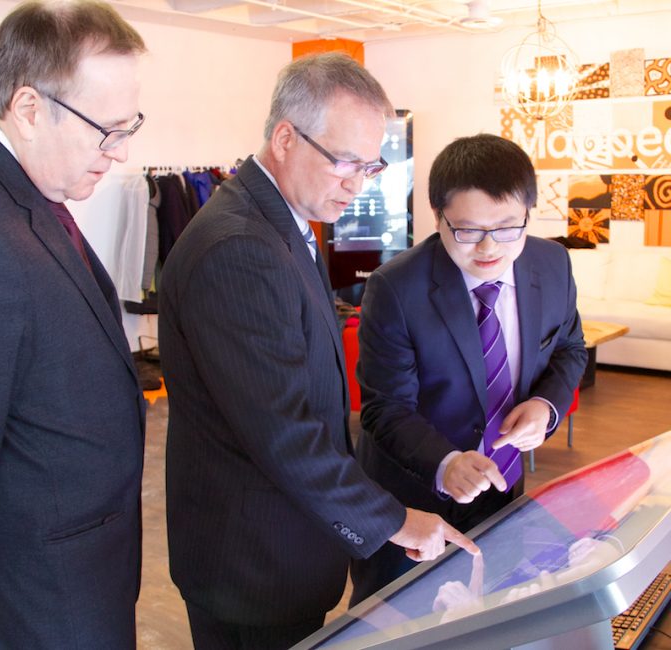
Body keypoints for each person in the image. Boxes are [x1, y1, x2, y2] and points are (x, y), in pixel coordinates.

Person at [158, 52, 478, 650]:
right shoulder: (239, 247)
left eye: (371, 165)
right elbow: (286, 432)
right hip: (250, 559)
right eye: (344, 163)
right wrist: (394, 519)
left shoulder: (280, 224)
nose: (357, 184)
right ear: (285, 137)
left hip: (283, 543)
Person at [0, 2, 147, 647]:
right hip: (30, 600)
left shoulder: (7, 183)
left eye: (130, 128)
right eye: (107, 130)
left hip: (68, 572)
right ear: (30, 108)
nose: (119, 153)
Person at [350, 133, 588, 605]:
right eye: (468, 230)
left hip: (503, 488)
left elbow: (570, 348)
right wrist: (446, 462)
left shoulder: (552, 263)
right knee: (398, 624)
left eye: (506, 227)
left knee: (494, 610)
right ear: (437, 217)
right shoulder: (396, 288)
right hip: (413, 498)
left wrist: (545, 405)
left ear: (528, 213)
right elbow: (385, 408)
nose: (489, 247)